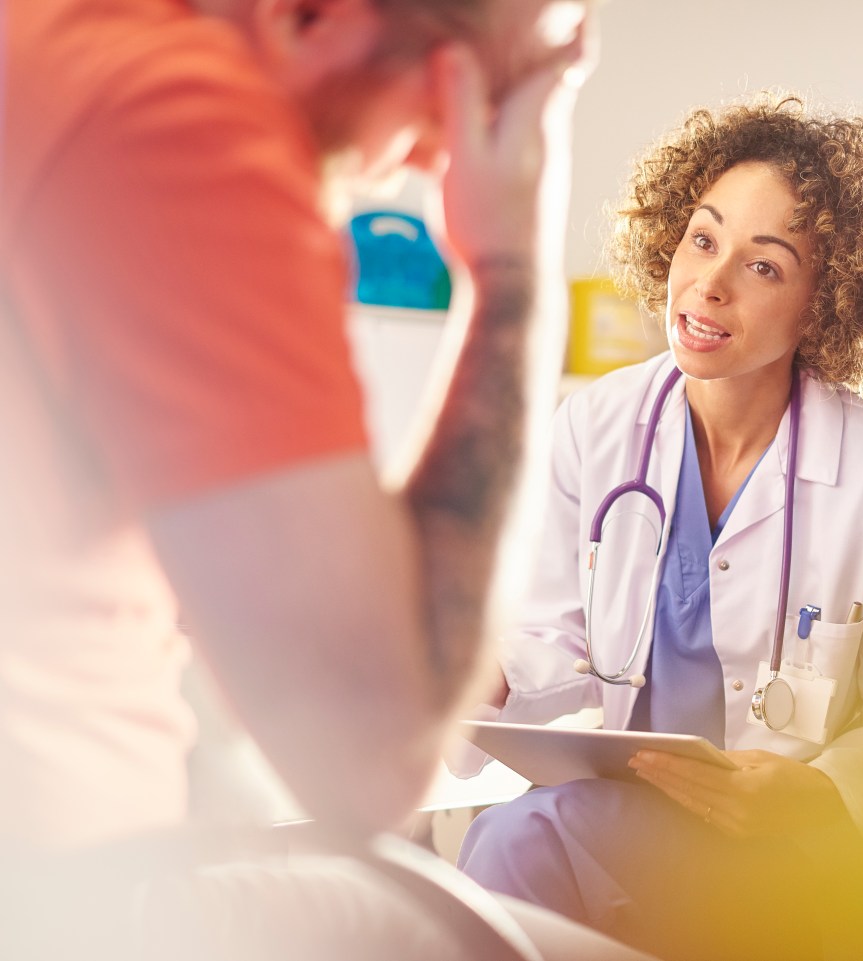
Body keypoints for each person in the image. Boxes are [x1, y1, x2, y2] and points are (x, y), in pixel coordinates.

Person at [0, 0, 649, 958]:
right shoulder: (177, 122)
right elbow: (373, 766)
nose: (433, 168)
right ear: (317, 18)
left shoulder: (54, 48)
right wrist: (512, 267)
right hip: (75, 903)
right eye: (455, 110)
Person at [448, 93, 863, 960]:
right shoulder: (597, 426)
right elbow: (550, 646)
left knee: (517, 842)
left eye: (766, 266)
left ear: (828, 302)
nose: (709, 283)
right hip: (616, 830)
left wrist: (818, 796)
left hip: (788, 856)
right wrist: (484, 680)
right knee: (518, 837)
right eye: (703, 239)